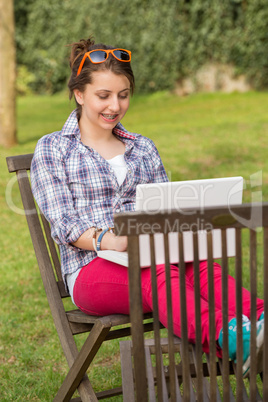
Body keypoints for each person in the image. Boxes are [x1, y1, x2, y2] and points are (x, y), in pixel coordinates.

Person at [30, 37, 264, 377]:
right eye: (104, 96)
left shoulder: (142, 148)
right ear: (80, 94)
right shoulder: (54, 149)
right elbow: (63, 222)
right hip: (91, 268)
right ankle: (232, 337)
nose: (115, 105)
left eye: (123, 95)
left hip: (157, 256)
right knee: (156, 275)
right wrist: (110, 240)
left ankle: (259, 321)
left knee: (200, 268)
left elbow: (168, 208)